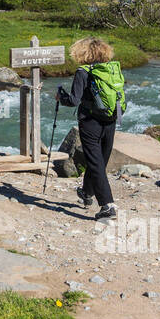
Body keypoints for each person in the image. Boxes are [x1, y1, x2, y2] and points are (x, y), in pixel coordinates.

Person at [56, 37, 124, 220]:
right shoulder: (110, 68)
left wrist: (60, 97)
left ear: (83, 53)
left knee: (96, 163)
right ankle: (86, 193)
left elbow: (74, 101)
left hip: (90, 122)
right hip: (110, 120)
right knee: (99, 159)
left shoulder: (83, 72)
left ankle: (107, 205)